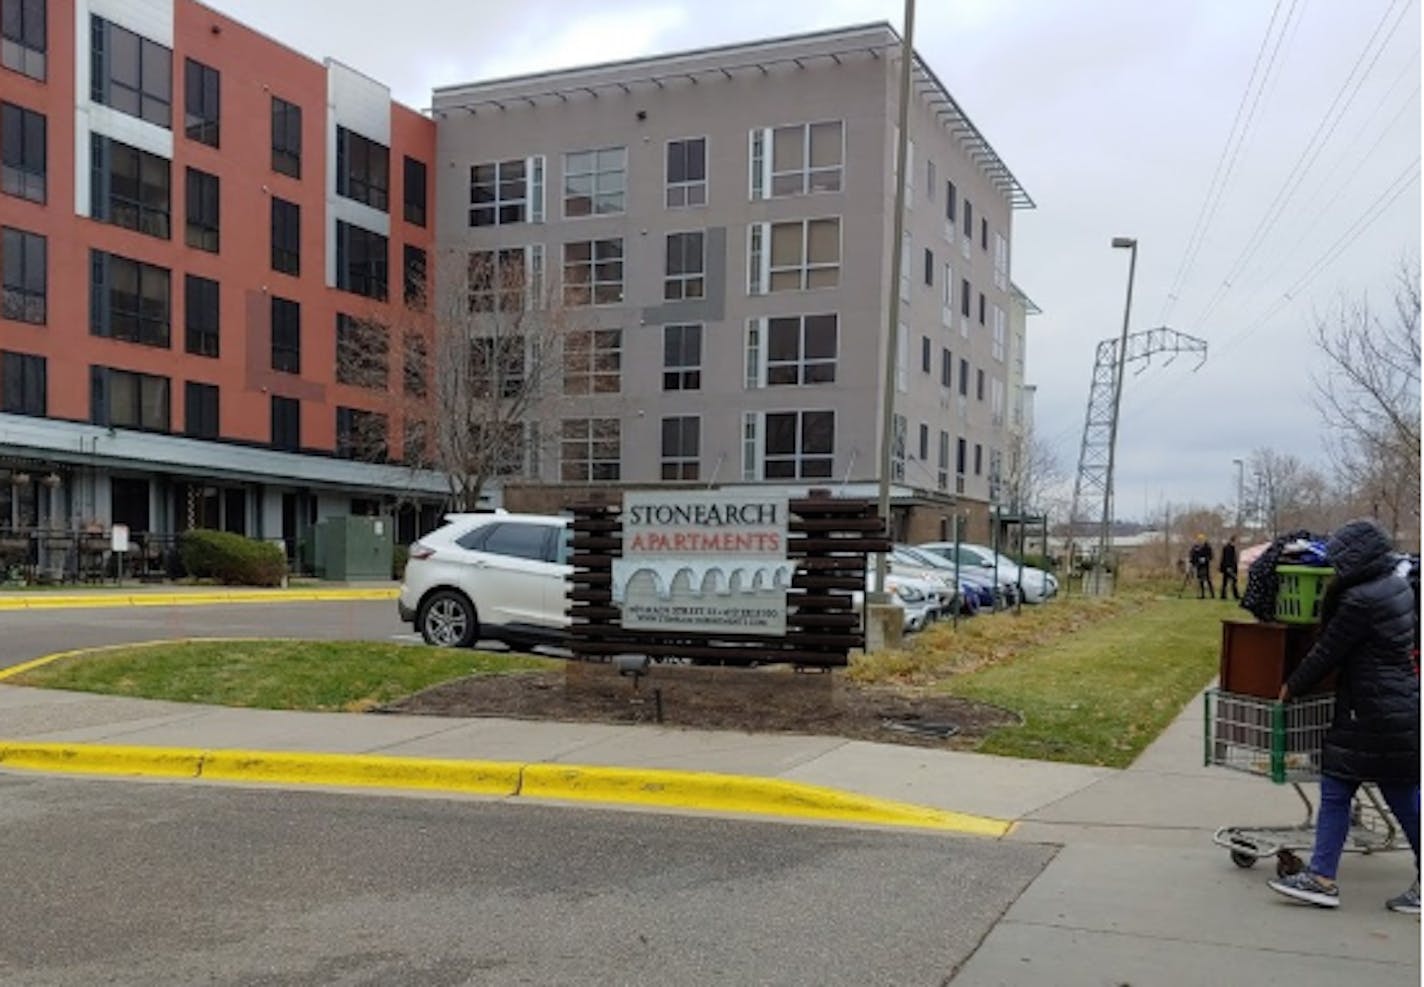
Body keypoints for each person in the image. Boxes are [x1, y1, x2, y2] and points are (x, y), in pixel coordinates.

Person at [1267, 519, 1420, 913]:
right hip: (1396, 704)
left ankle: (1321, 879)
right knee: (1392, 793)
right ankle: (1320, 876)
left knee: (1347, 790)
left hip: (1370, 710)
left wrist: (1291, 687)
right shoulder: (1397, 586)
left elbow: (1327, 652)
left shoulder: (1360, 600)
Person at [1188, 534, 1214, 599]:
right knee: (1200, 580)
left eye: (1201, 539)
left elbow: (1211, 556)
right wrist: (1193, 561)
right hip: (1198, 565)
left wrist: (1205, 559)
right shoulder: (1195, 547)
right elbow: (1192, 554)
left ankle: (1212, 594)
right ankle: (1202, 594)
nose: (1200, 541)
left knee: (1207, 579)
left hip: (1205, 565)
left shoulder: (1207, 547)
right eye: (1199, 540)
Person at [1219, 535, 1240, 601]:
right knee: (1231, 582)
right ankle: (1233, 595)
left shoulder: (1231, 547)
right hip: (1229, 568)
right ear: (1233, 541)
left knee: (1226, 582)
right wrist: (1228, 567)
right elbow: (1227, 558)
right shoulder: (1228, 548)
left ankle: (1224, 595)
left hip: (1230, 567)